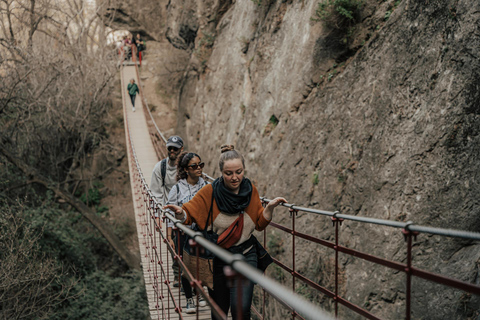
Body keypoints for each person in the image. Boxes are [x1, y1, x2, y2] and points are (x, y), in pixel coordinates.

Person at [164, 145, 287, 320]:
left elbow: (259, 224)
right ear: (221, 172)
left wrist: (270, 209)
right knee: (219, 311)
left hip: (246, 254)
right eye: (229, 173)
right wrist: (180, 213)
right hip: (217, 258)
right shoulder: (209, 191)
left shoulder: (250, 190)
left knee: (241, 310)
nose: (235, 177)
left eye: (239, 171)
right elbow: (189, 214)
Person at [165, 152, 209, 314]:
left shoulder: (206, 187)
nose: (198, 169)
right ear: (186, 169)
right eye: (194, 166)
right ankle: (190, 299)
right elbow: (169, 214)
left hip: (201, 232)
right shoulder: (177, 188)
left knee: (202, 263)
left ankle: (201, 293)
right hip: (183, 233)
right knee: (185, 266)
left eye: (200, 165)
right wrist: (169, 236)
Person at [150, 135, 184, 283]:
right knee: (173, 241)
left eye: (175, 148)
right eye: (170, 147)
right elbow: (155, 193)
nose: (172, 150)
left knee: (188, 242)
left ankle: (189, 275)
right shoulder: (160, 168)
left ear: (181, 149)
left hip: (187, 209)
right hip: (170, 212)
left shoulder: (185, 166)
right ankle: (177, 274)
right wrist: (157, 216)